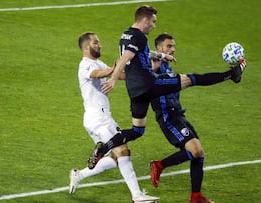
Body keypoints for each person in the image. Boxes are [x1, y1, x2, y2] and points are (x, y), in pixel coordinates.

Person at [88, 5, 246, 174]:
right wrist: (113, 79)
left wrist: (162, 56)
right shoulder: (139, 36)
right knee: (191, 79)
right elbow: (125, 58)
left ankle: (104, 148)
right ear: (145, 20)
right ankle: (231, 75)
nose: (154, 26)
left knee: (137, 130)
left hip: (134, 91)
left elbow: (141, 53)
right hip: (149, 84)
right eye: (153, 22)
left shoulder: (125, 35)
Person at [149, 33, 246, 203]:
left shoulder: (168, 68)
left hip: (178, 114)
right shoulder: (153, 66)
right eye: (169, 46)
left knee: (199, 154)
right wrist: (229, 75)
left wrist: (232, 74)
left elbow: (199, 79)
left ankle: (196, 197)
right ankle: (159, 165)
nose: (173, 49)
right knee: (194, 151)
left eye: (173, 46)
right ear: (159, 48)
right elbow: (198, 79)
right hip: (167, 118)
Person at [69, 31, 159, 203]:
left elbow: (120, 75)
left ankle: (79, 174)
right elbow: (98, 74)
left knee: (115, 157)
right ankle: (137, 196)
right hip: (99, 119)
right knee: (123, 150)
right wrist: (113, 68)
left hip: (96, 119)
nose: (100, 45)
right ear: (87, 47)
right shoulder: (85, 65)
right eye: (96, 42)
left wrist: (148, 70)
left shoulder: (97, 62)